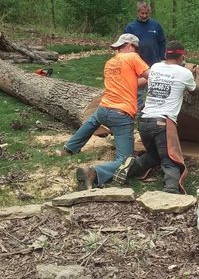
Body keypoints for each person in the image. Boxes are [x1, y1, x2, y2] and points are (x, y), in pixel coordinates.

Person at [113, 41, 199, 194]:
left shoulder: (155, 67)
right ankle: (170, 191)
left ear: (166, 54)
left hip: (143, 122)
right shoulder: (185, 73)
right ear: (183, 55)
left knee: (154, 156)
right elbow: (195, 90)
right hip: (162, 123)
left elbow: (169, 72)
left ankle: (129, 169)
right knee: (170, 160)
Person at [63, 33, 150, 190]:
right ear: (130, 46)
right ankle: (94, 172)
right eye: (135, 48)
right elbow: (152, 75)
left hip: (104, 109)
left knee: (92, 121)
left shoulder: (110, 62)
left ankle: (70, 146)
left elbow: (133, 82)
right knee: (126, 160)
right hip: (121, 114)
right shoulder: (132, 57)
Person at [124, 1, 166, 114]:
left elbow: (162, 43)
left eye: (146, 13)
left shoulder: (156, 26)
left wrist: (162, 59)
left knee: (154, 92)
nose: (144, 16)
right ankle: (136, 116)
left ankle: (152, 116)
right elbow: (125, 46)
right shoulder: (131, 27)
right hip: (137, 66)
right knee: (137, 93)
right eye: (142, 13)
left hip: (154, 64)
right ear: (138, 12)